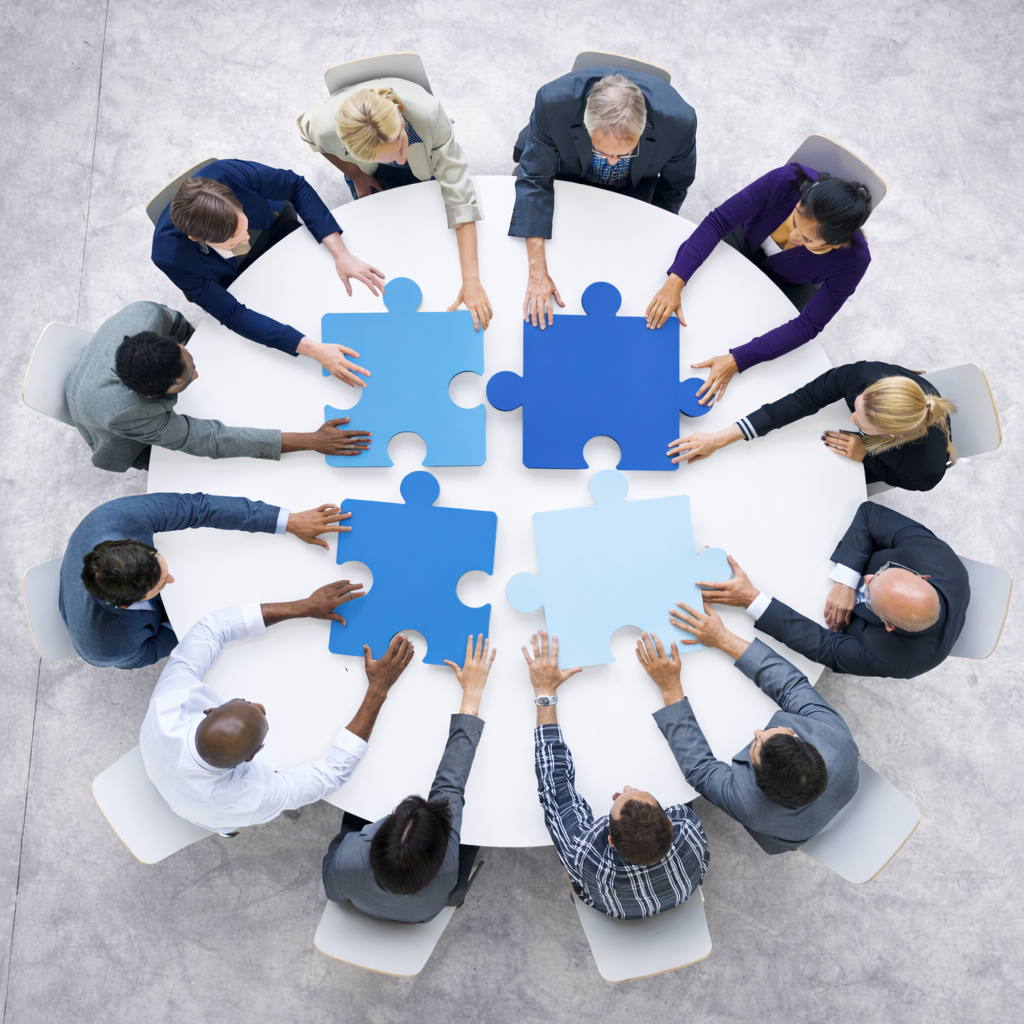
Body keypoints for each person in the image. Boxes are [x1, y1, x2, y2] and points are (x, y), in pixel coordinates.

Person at [140, 603, 410, 835]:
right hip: (208, 814)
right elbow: (331, 773)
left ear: (209, 711)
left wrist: (305, 605)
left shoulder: (168, 706)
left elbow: (211, 627)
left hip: (155, 762)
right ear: (250, 758)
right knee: (223, 821)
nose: (260, 705)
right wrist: (377, 690)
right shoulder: (249, 800)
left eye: (245, 702)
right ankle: (223, 829)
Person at [646, 163, 872, 405]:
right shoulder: (787, 180)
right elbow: (719, 221)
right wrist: (676, 280)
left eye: (807, 239)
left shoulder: (854, 259)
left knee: (736, 334)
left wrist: (738, 360)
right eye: (795, 220)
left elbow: (808, 325)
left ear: (833, 245)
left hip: (789, 282)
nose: (795, 236)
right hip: (744, 241)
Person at [151, 159, 384, 387]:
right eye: (234, 239)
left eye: (242, 224)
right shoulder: (169, 256)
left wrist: (342, 254)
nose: (245, 238)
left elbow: (296, 186)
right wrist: (315, 350)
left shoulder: (230, 173)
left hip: (274, 230)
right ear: (197, 238)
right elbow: (232, 313)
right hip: (233, 275)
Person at [65, 300, 372, 472]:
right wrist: (312, 441)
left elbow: (180, 326)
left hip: (97, 368)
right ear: (151, 395)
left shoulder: (146, 315)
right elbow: (211, 439)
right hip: (101, 424)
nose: (196, 376)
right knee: (172, 467)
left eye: (190, 363)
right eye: (185, 380)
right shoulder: (128, 413)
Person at [60, 492, 355, 669]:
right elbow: (149, 651)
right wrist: (195, 615)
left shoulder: (115, 518)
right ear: (129, 605)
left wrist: (286, 521)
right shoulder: (106, 646)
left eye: (162, 564)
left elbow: (198, 507)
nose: (172, 579)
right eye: (162, 584)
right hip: (120, 629)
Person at [527, 631, 708, 919]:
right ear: (669, 827)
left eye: (621, 796)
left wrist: (544, 694)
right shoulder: (686, 827)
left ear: (609, 841)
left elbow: (555, 788)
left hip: (612, 907)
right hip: (680, 894)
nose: (625, 787)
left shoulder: (585, 854)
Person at [636, 620, 859, 855]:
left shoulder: (749, 805)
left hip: (794, 832)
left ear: (756, 778)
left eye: (756, 745)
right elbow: (790, 686)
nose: (757, 732)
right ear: (797, 736)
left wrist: (670, 688)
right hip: (844, 783)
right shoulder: (837, 740)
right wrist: (722, 637)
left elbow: (700, 769)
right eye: (768, 734)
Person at [321, 634, 495, 922]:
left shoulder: (347, 859)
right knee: (472, 830)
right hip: (425, 912)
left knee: (354, 807)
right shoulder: (448, 862)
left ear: (372, 842)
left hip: (365, 897)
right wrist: (472, 695)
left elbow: (333, 892)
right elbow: (450, 783)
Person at [296, 80, 492, 331]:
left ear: (399, 110)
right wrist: (355, 173)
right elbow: (315, 141)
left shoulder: (429, 113)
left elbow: (460, 197)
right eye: (391, 156)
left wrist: (471, 279)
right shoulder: (323, 127)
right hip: (372, 174)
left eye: (400, 144)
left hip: (425, 164)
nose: (401, 158)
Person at [510, 69, 697, 330]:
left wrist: (654, 237)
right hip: (569, 180)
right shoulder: (552, 103)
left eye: (624, 154)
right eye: (602, 151)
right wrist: (537, 272)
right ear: (587, 125)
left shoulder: (679, 122)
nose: (611, 160)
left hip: (631, 192)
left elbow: (675, 185)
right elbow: (534, 180)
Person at [695, 503, 970, 679]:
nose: (870, 577)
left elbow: (825, 648)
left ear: (887, 625)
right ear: (921, 576)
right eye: (884, 570)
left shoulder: (901, 661)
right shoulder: (940, 559)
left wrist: (751, 599)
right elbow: (870, 515)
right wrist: (846, 583)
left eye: (869, 593)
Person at [667, 361, 956, 491]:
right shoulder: (862, 377)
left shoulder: (924, 466)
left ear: (892, 435)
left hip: (887, 461)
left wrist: (866, 454)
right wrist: (720, 438)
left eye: (862, 424)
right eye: (856, 408)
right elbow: (802, 400)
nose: (851, 420)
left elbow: (912, 482)